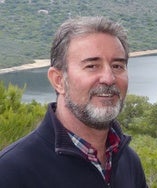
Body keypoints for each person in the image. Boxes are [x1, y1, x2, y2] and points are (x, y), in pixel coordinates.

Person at [0, 16, 147, 188]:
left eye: (117, 66)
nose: (109, 78)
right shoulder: (11, 172)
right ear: (59, 81)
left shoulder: (128, 162)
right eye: (92, 66)